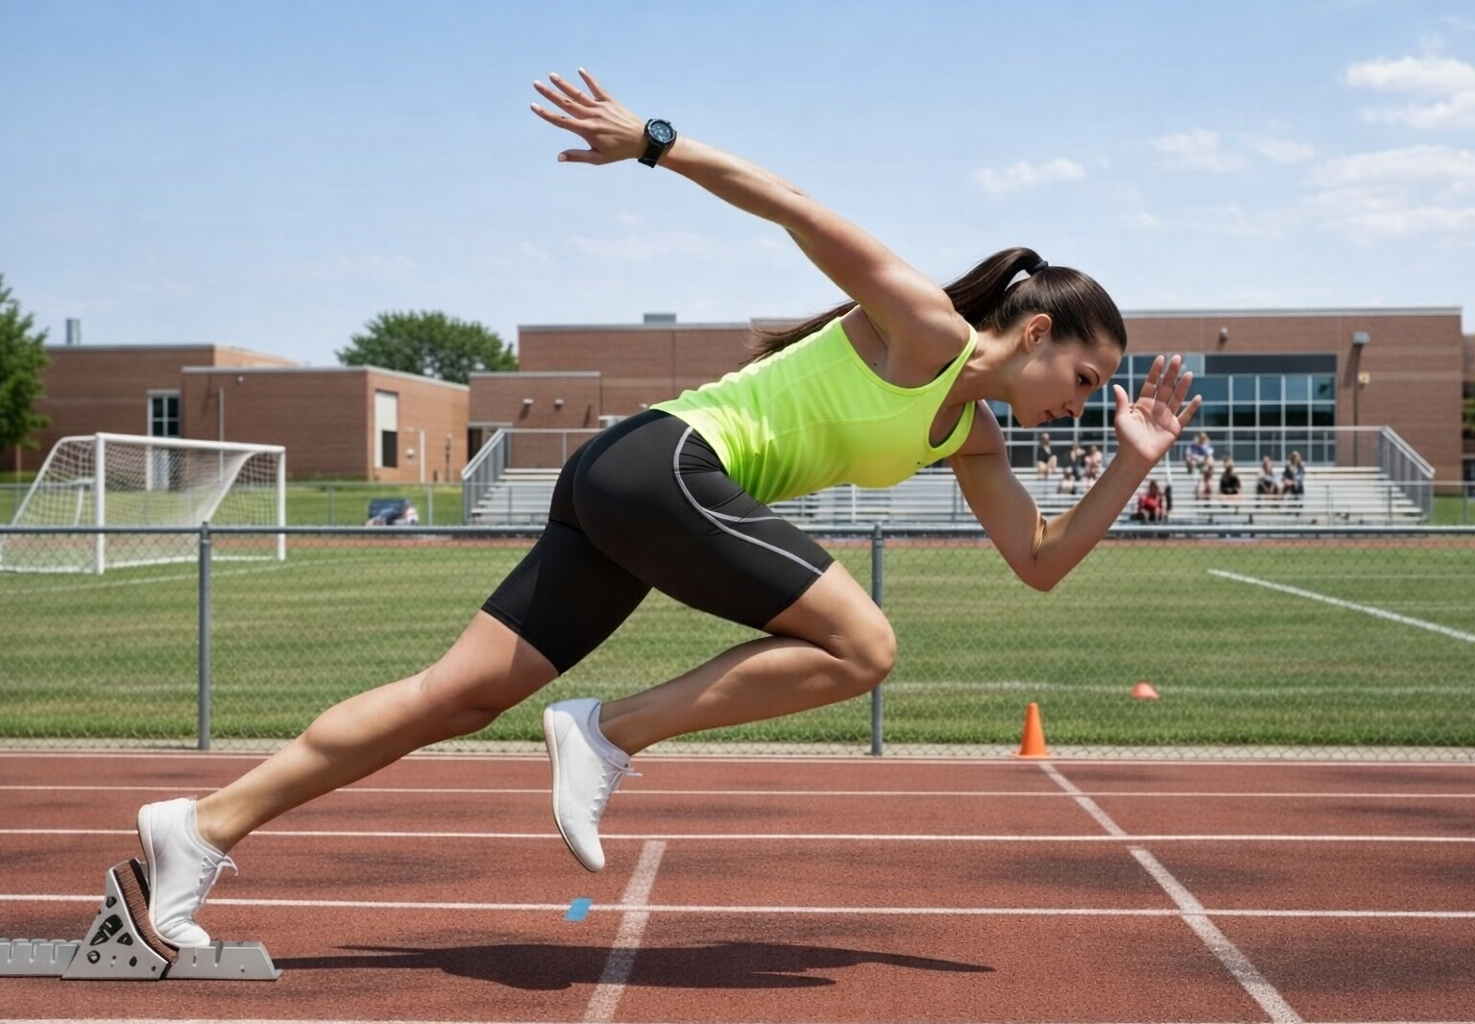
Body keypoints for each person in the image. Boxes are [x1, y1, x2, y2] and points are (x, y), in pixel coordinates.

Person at [128, 67, 1199, 949]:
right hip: (661, 465)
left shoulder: (970, 434)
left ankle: (201, 826)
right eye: (1090, 376)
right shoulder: (925, 329)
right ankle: (604, 732)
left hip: (634, 488)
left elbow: (1041, 559)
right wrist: (653, 141)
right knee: (863, 642)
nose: (1090, 401)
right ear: (1033, 334)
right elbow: (799, 209)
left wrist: (1129, 464)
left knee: (454, 696)